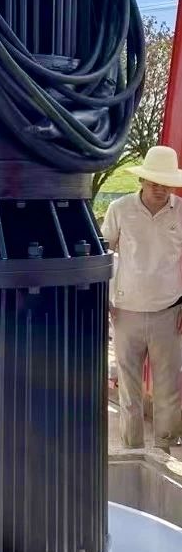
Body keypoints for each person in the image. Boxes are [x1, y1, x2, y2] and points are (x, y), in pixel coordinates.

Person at [102, 145, 182, 450]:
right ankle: (132, 449)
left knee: (168, 389)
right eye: (154, 182)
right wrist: (104, 298)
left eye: (166, 183)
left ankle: (163, 450)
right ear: (143, 180)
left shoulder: (181, 211)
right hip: (125, 312)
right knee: (129, 390)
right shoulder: (120, 209)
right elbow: (104, 253)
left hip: (169, 311)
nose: (160, 189)